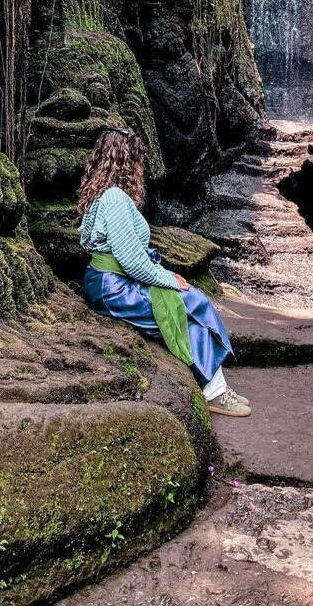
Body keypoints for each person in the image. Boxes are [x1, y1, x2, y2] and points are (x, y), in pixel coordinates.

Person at [78, 127, 251, 418]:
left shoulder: (103, 196)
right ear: (129, 160)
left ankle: (216, 389)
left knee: (190, 305)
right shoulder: (116, 199)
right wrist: (167, 278)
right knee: (188, 306)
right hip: (113, 287)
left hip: (108, 281)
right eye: (138, 159)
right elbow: (131, 261)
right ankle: (216, 393)